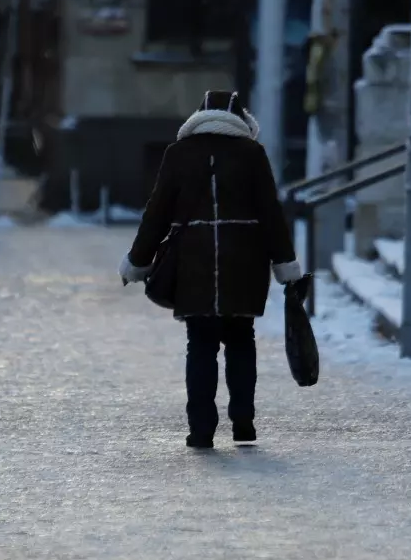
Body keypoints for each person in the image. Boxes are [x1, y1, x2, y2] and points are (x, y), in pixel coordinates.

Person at [119, 91, 302, 449]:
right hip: (245, 263)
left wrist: (138, 261)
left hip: (194, 263)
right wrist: (285, 265)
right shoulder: (252, 154)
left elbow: (156, 212)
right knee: (240, 339)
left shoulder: (178, 154)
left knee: (200, 344)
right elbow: (271, 214)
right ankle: (243, 422)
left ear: (198, 117)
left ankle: (201, 430)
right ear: (242, 121)